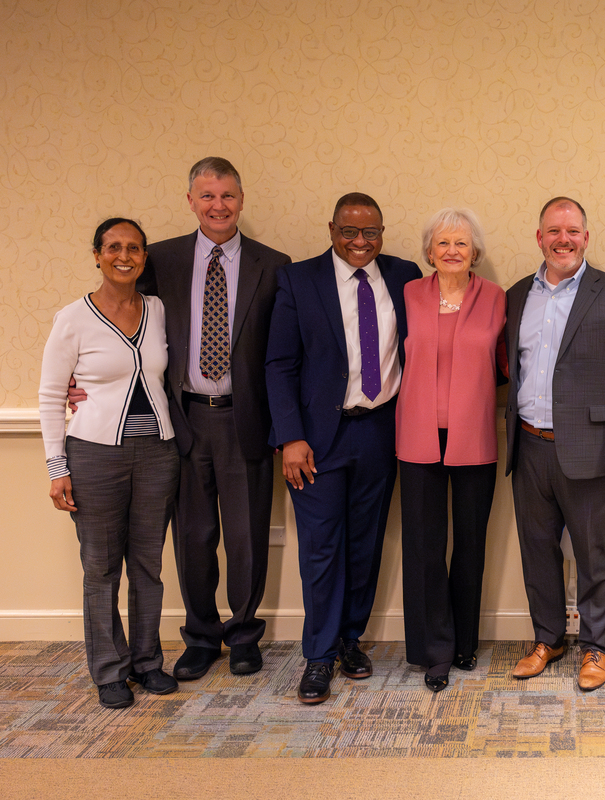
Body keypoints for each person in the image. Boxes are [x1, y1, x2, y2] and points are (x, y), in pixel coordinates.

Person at [70, 158, 292, 682]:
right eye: (207, 196)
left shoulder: (275, 264)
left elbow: (286, 352)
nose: (219, 206)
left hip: (247, 421)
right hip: (182, 422)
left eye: (228, 196)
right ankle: (200, 636)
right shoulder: (160, 259)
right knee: (192, 538)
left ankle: (242, 635)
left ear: (242, 200)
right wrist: (81, 380)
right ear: (190, 200)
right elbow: (117, 315)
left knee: (246, 538)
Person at [265, 193, 421, 704]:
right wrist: (291, 437)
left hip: (380, 431)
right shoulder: (299, 278)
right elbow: (279, 364)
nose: (360, 242)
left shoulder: (403, 275)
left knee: (365, 543)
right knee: (322, 547)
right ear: (331, 228)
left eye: (371, 232)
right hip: (316, 439)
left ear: (383, 231)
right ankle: (318, 655)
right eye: (349, 232)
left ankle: (351, 640)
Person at [504, 196, 605, 691]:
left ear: (585, 238)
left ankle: (595, 645)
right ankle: (548, 637)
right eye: (553, 231)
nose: (562, 239)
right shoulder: (515, 296)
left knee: (593, 554)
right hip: (528, 446)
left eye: (572, 231)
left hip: (591, 450)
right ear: (539, 237)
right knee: (537, 549)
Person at [39, 218, 180, 708]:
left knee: (148, 564)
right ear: (96, 254)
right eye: (114, 247)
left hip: (159, 453)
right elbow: (52, 394)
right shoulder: (72, 318)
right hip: (95, 455)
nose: (125, 255)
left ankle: (147, 662)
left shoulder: (159, 310)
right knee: (100, 567)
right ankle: (109, 670)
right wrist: (57, 467)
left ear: (144, 256)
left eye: (134, 248)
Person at [396, 208, 506, 693]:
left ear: (475, 252)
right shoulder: (409, 295)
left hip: (475, 436)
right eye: (443, 243)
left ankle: (464, 642)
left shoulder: (498, 299)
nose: (452, 251)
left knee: (469, 547)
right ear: (428, 252)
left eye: (461, 243)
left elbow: (505, 365)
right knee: (423, 548)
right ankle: (433, 651)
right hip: (417, 435)